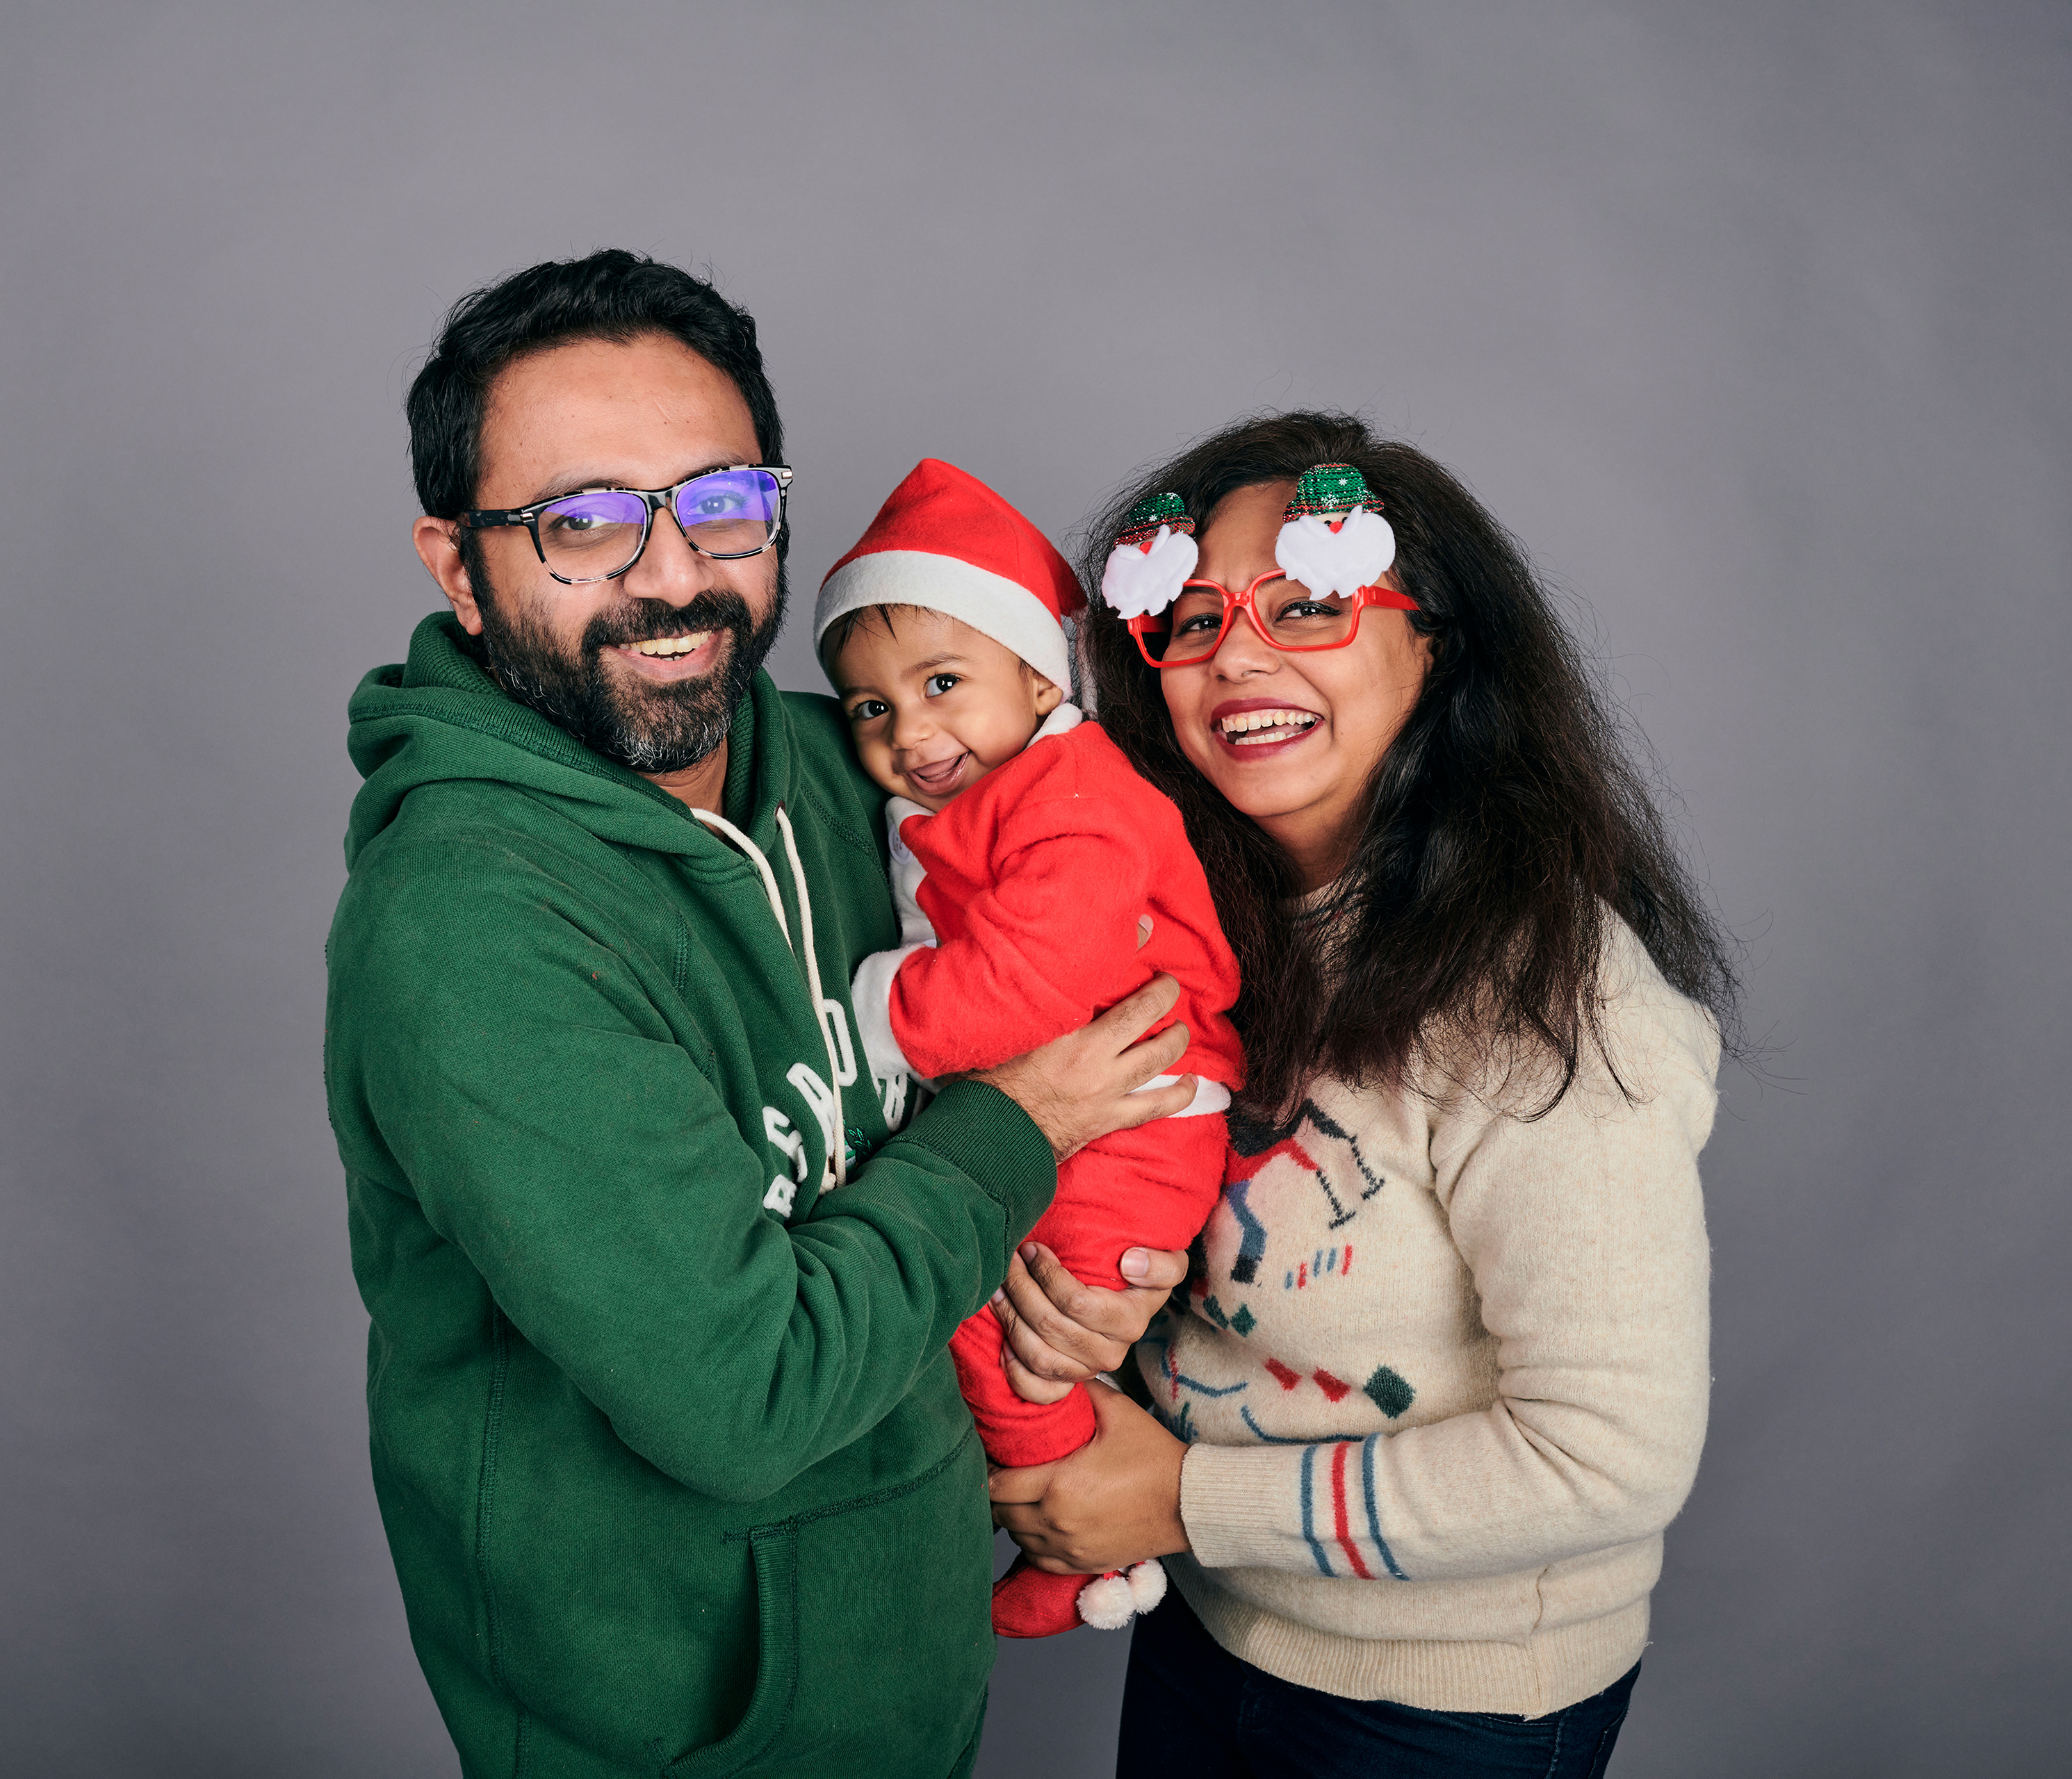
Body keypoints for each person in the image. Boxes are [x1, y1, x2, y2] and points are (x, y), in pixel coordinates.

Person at [323, 251, 1196, 1779]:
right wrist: (1023, 1132)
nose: (672, 575)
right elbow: (750, 1399)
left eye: (721, 503)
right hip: (677, 1731)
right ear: (459, 567)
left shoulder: (863, 770)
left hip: (909, 1669)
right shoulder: (467, 927)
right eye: (583, 521)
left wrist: (1107, 1271)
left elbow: (1112, 940)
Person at [984, 414, 1740, 1778]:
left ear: (1434, 647)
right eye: (1193, 622)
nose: (1237, 658)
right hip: (1206, 1629)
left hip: (1443, 1707)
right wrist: (1098, 1319)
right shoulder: (1183, 933)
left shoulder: (1554, 998)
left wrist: (1183, 1496)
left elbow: (1609, 1455)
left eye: (1308, 605)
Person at [813, 459, 1246, 1637]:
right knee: (1007, 1323)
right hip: (1097, 1123)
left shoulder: (1078, 800)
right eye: (870, 708)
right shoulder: (995, 795)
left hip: (1139, 1133)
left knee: (981, 1321)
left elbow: (1031, 983)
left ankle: (1072, 1537)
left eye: (943, 683)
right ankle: (1068, 1507)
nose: (911, 730)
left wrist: (878, 1008)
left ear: (1040, 675)